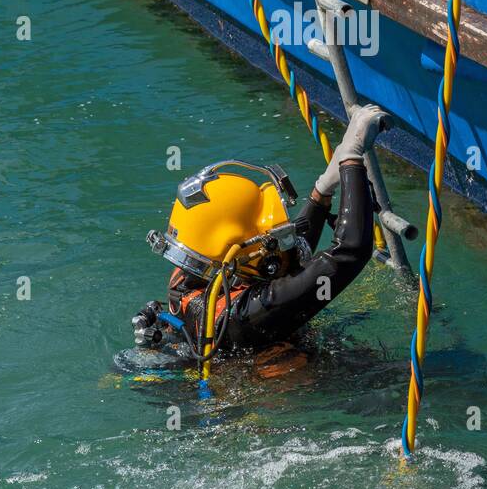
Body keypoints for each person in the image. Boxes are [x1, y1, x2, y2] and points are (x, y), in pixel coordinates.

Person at [115, 104, 388, 373]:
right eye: (267, 237)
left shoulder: (201, 270)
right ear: (235, 249)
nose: (278, 240)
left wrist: (321, 193)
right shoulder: (245, 316)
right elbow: (349, 252)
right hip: (275, 405)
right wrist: (351, 158)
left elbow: (287, 254)